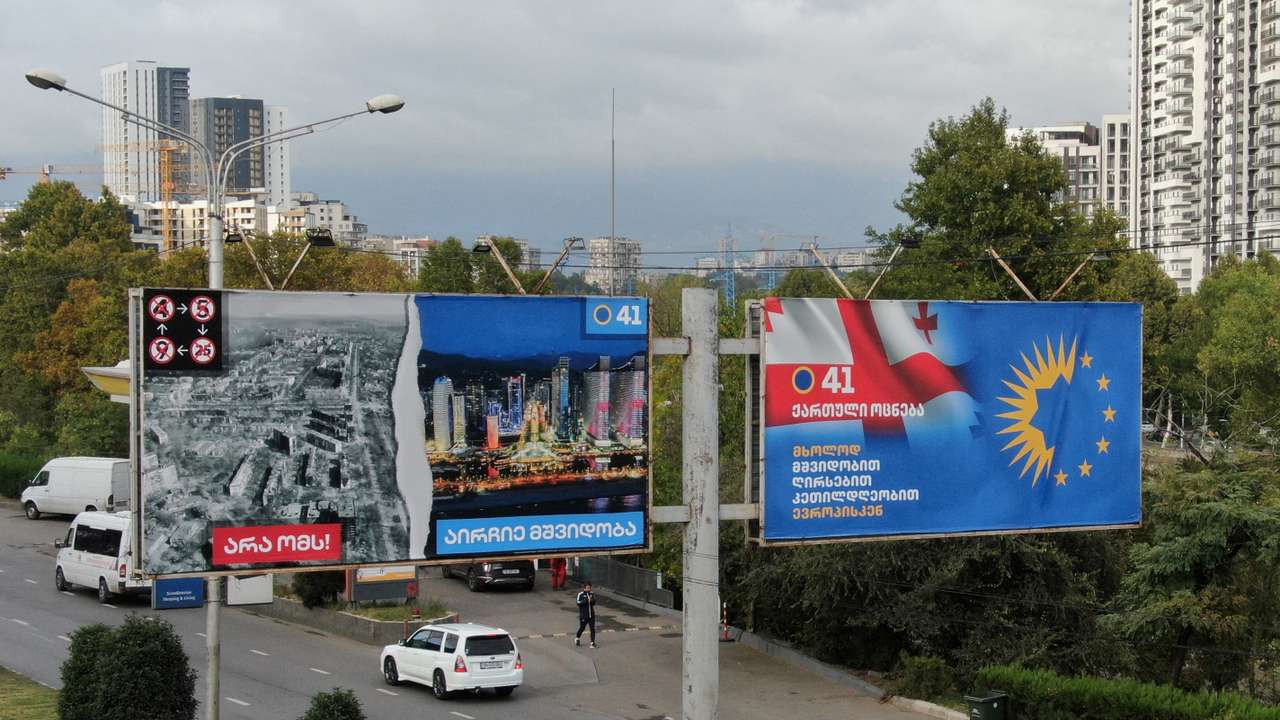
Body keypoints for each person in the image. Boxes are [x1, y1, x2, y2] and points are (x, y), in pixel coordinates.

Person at [575, 582, 597, 648]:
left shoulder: (592, 594)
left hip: (591, 615)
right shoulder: (580, 594)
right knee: (582, 628)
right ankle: (577, 638)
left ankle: (592, 643)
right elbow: (578, 603)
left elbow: (594, 602)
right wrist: (586, 600)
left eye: (589, 588)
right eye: (587, 588)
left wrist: (592, 600)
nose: (589, 589)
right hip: (584, 615)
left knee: (592, 629)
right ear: (584, 588)